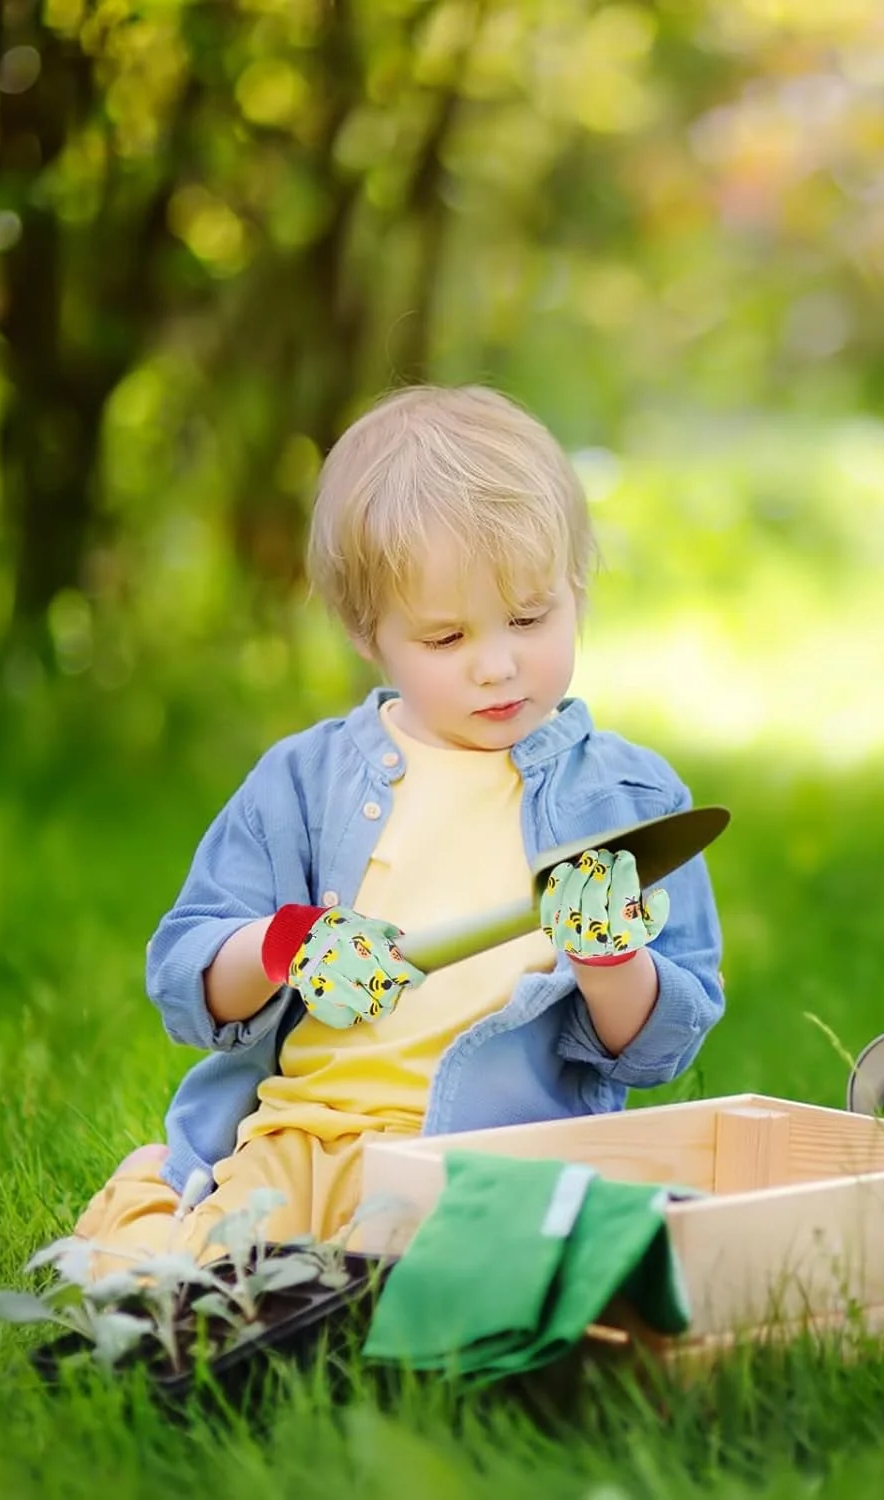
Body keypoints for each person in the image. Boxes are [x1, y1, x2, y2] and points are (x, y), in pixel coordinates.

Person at [73, 384, 725, 1267]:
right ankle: (176, 1216)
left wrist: (610, 962)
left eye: (530, 619)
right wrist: (284, 946)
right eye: (446, 639)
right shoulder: (305, 783)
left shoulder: (627, 798)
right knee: (206, 1291)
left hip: (498, 1162)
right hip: (306, 1139)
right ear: (365, 631)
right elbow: (187, 982)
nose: (497, 666)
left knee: (440, 1294)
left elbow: (659, 1048)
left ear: (577, 588)